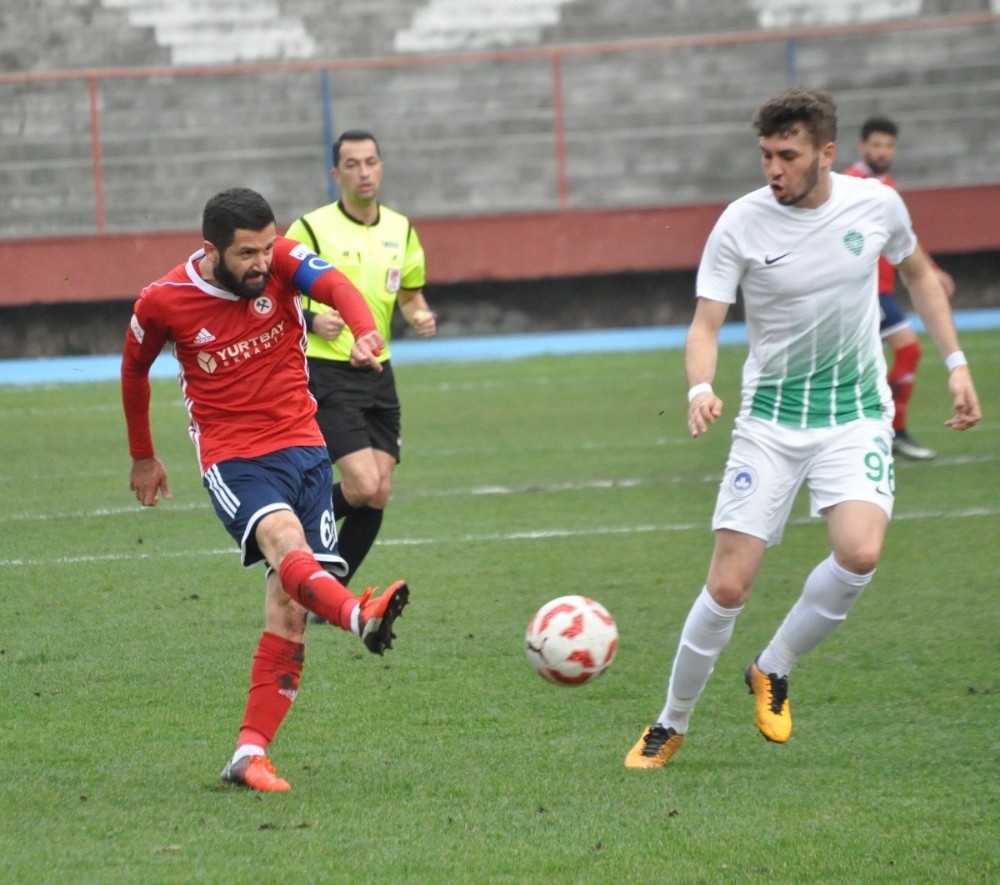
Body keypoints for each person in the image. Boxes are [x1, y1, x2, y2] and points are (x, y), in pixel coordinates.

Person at [625, 88, 981, 770]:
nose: (773, 169)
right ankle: (670, 722)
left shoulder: (876, 205)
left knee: (860, 551)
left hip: (853, 413)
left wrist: (956, 363)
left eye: (787, 155)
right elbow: (705, 324)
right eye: (765, 155)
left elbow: (921, 275)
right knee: (729, 585)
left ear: (825, 154)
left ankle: (773, 664)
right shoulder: (740, 223)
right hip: (770, 419)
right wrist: (701, 386)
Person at [121, 187, 411, 792]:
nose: (262, 262)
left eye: (267, 248)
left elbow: (339, 289)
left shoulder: (282, 262)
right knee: (283, 541)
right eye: (247, 253)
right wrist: (144, 456)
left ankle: (249, 755)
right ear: (211, 250)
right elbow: (134, 370)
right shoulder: (163, 301)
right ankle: (358, 614)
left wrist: (363, 331)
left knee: (290, 612)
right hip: (236, 459)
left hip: (304, 449)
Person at [284, 130, 435, 621]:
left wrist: (420, 315)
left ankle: (329, 596)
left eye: (371, 162)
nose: (364, 172)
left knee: (379, 491)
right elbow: (272, 295)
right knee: (365, 485)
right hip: (328, 371)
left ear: (382, 168)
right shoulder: (310, 229)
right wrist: (310, 320)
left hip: (379, 373)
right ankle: (283, 529)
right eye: (352, 164)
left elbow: (409, 292)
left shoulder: (402, 228)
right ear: (337, 175)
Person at [844, 115, 956, 461]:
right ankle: (889, 430)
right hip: (863, 291)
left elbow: (903, 235)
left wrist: (932, 270)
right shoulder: (850, 184)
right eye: (875, 144)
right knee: (905, 351)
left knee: (872, 363)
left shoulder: (886, 184)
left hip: (883, 289)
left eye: (888, 145)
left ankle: (884, 430)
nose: (882, 151)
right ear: (863, 146)